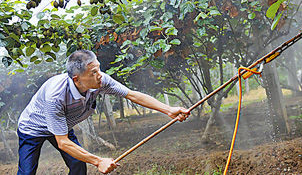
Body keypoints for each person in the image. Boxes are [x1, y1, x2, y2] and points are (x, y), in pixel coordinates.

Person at [17, 50, 190, 175]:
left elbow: (133, 95)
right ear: (76, 79)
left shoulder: (101, 80)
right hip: (33, 128)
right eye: (93, 72)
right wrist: (99, 161)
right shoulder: (56, 96)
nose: (100, 75)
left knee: (78, 164)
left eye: (98, 69)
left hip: (62, 125)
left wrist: (169, 110)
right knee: (27, 172)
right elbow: (62, 142)